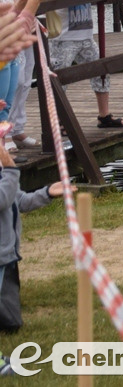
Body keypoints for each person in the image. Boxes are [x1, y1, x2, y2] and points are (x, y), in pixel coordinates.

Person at [50, 0, 123, 128]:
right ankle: (57, 122)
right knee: (60, 80)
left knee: (101, 70)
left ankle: (104, 115)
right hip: (63, 37)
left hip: (85, 35)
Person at [0, 140, 74, 333]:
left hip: (8, 255)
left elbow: (20, 201)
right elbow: (3, 199)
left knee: (11, 321)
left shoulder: (4, 177)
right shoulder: (7, 175)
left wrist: (47, 193)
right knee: (10, 324)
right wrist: (10, 168)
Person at [1, 0, 64, 151]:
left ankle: (17, 128)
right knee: (12, 84)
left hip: (24, 31)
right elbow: (26, 0)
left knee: (24, 81)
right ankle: (5, 133)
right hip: (9, 40)